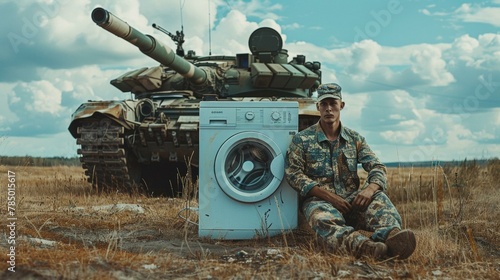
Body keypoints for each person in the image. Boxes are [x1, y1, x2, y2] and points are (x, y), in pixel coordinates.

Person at [285, 83, 416, 260]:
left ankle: (392, 237)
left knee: (379, 198)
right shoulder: (302, 139)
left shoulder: (355, 139)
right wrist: (329, 197)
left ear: (342, 105)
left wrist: (369, 190)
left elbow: (377, 166)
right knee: (321, 219)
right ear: (318, 107)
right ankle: (367, 248)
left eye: (333, 103)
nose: (329, 109)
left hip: (352, 201)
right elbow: (294, 174)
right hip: (320, 201)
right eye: (324, 104)